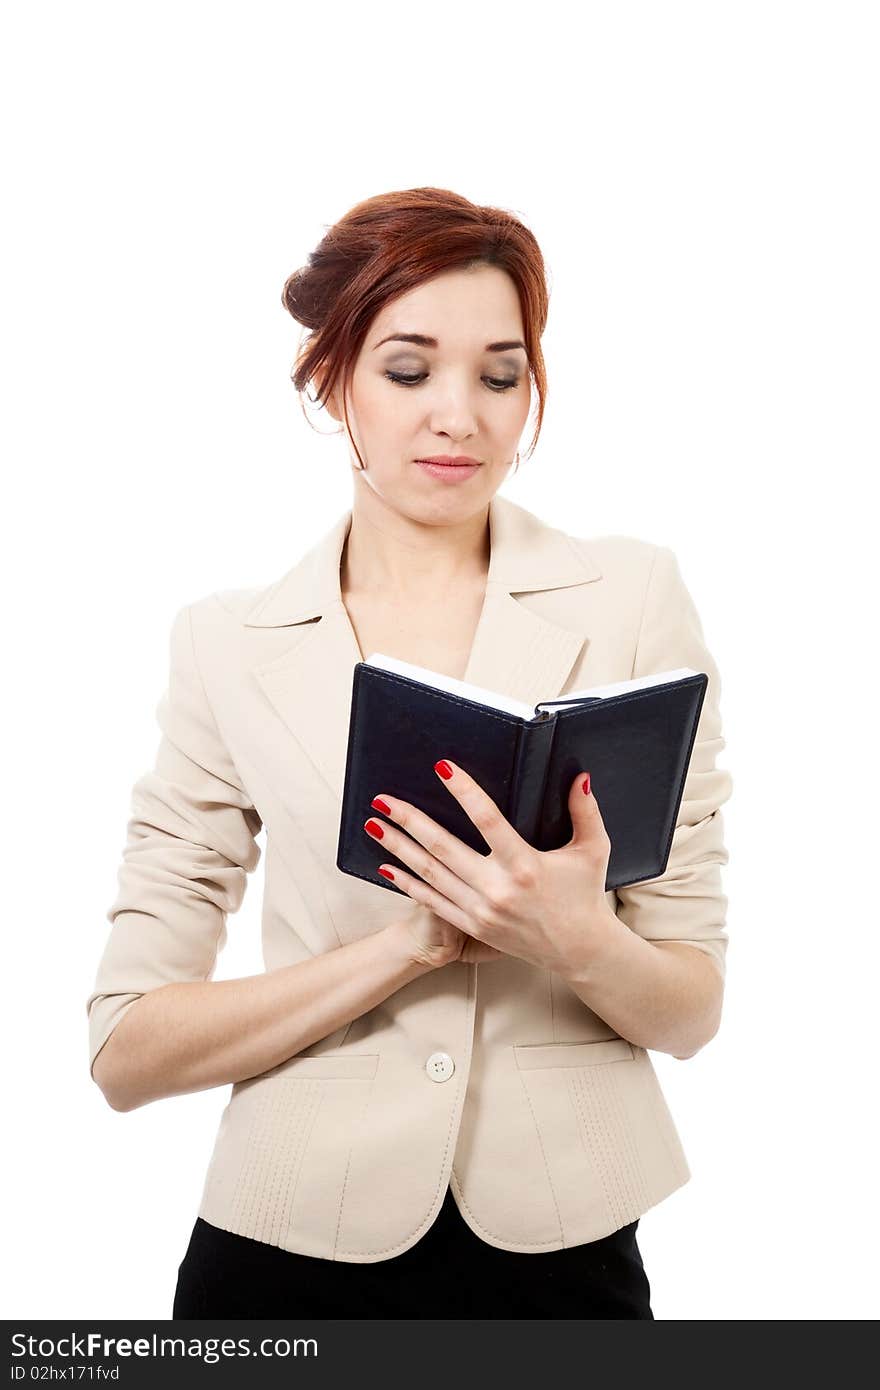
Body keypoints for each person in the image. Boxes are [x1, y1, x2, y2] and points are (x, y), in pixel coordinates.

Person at [86, 186, 733, 1320]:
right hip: (282, 1245)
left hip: (565, 1246)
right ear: (332, 378)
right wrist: (412, 945)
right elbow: (127, 1050)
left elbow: (689, 1009)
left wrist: (574, 936)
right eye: (406, 369)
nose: (461, 417)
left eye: (500, 373)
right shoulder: (227, 643)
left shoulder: (632, 598)